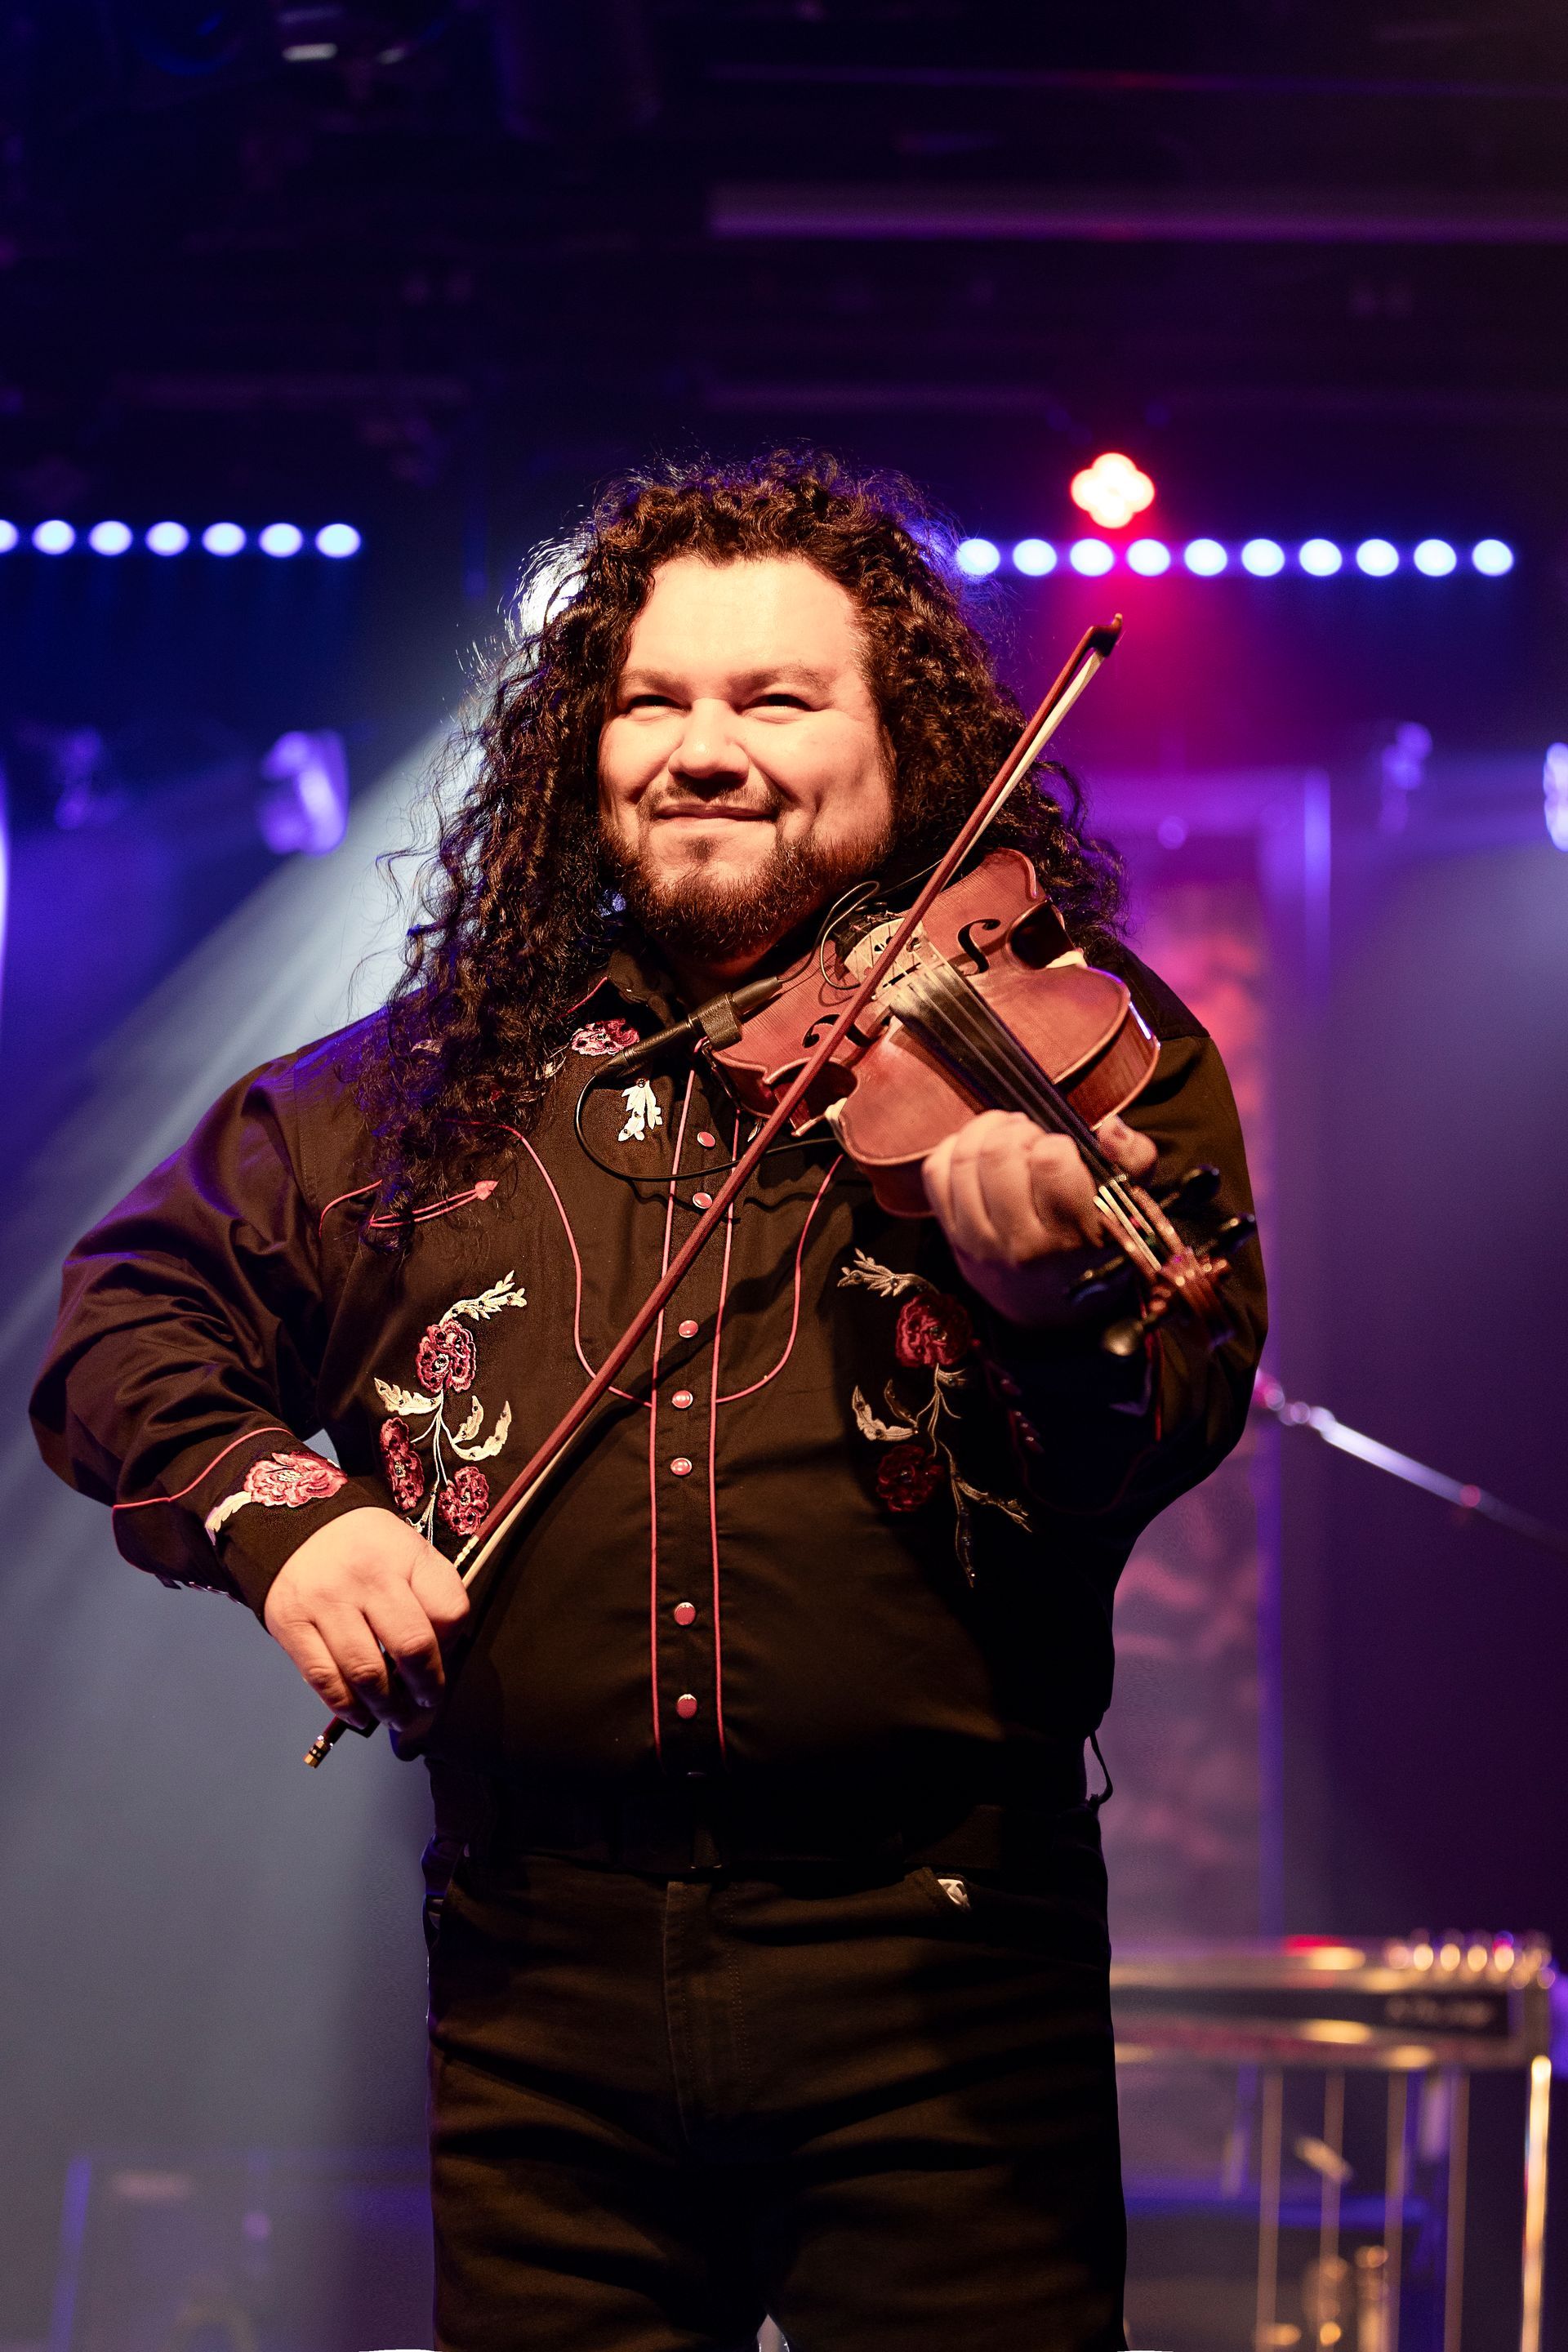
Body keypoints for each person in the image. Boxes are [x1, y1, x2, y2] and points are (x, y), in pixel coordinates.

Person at [32, 452, 1264, 2352]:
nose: (706, 747)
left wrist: (1050, 1299)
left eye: (777, 700)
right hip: (539, 1983)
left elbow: (1172, 1408)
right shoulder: (430, 1091)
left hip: (942, 1966)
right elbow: (126, 1312)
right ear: (580, 748)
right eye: (653, 700)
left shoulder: (1058, 1044)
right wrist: (289, 1517)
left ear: (902, 741)